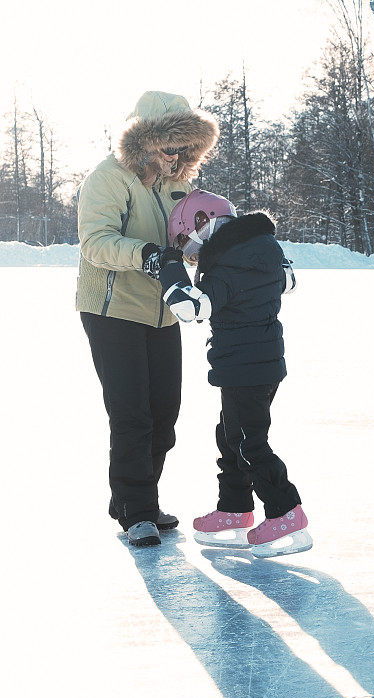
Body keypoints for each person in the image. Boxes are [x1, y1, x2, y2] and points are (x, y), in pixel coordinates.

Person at [77, 92, 219, 546]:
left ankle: (131, 497)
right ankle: (138, 508)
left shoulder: (178, 185)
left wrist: (203, 249)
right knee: (132, 412)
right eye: (166, 144)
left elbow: (185, 238)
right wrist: (148, 256)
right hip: (112, 308)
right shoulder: (110, 177)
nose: (174, 155)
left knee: (164, 413)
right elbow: (95, 241)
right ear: (144, 139)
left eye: (183, 146)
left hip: (163, 312)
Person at [150, 189, 312, 558]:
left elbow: (190, 308)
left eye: (183, 238)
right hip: (261, 360)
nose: (186, 247)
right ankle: (234, 508)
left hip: (245, 365)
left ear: (203, 221)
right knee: (231, 435)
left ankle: (287, 512)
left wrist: (170, 265)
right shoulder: (260, 251)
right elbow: (288, 280)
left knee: (247, 442)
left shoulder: (228, 266)